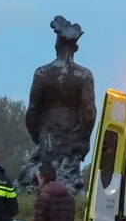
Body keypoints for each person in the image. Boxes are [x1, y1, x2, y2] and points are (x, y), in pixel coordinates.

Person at [24, 15, 97, 191]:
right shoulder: (84, 76)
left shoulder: (42, 74)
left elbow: (32, 112)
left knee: (42, 184)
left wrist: (39, 136)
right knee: (68, 187)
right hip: (72, 141)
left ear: (56, 45)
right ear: (76, 48)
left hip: (47, 138)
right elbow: (89, 113)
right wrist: (81, 138)